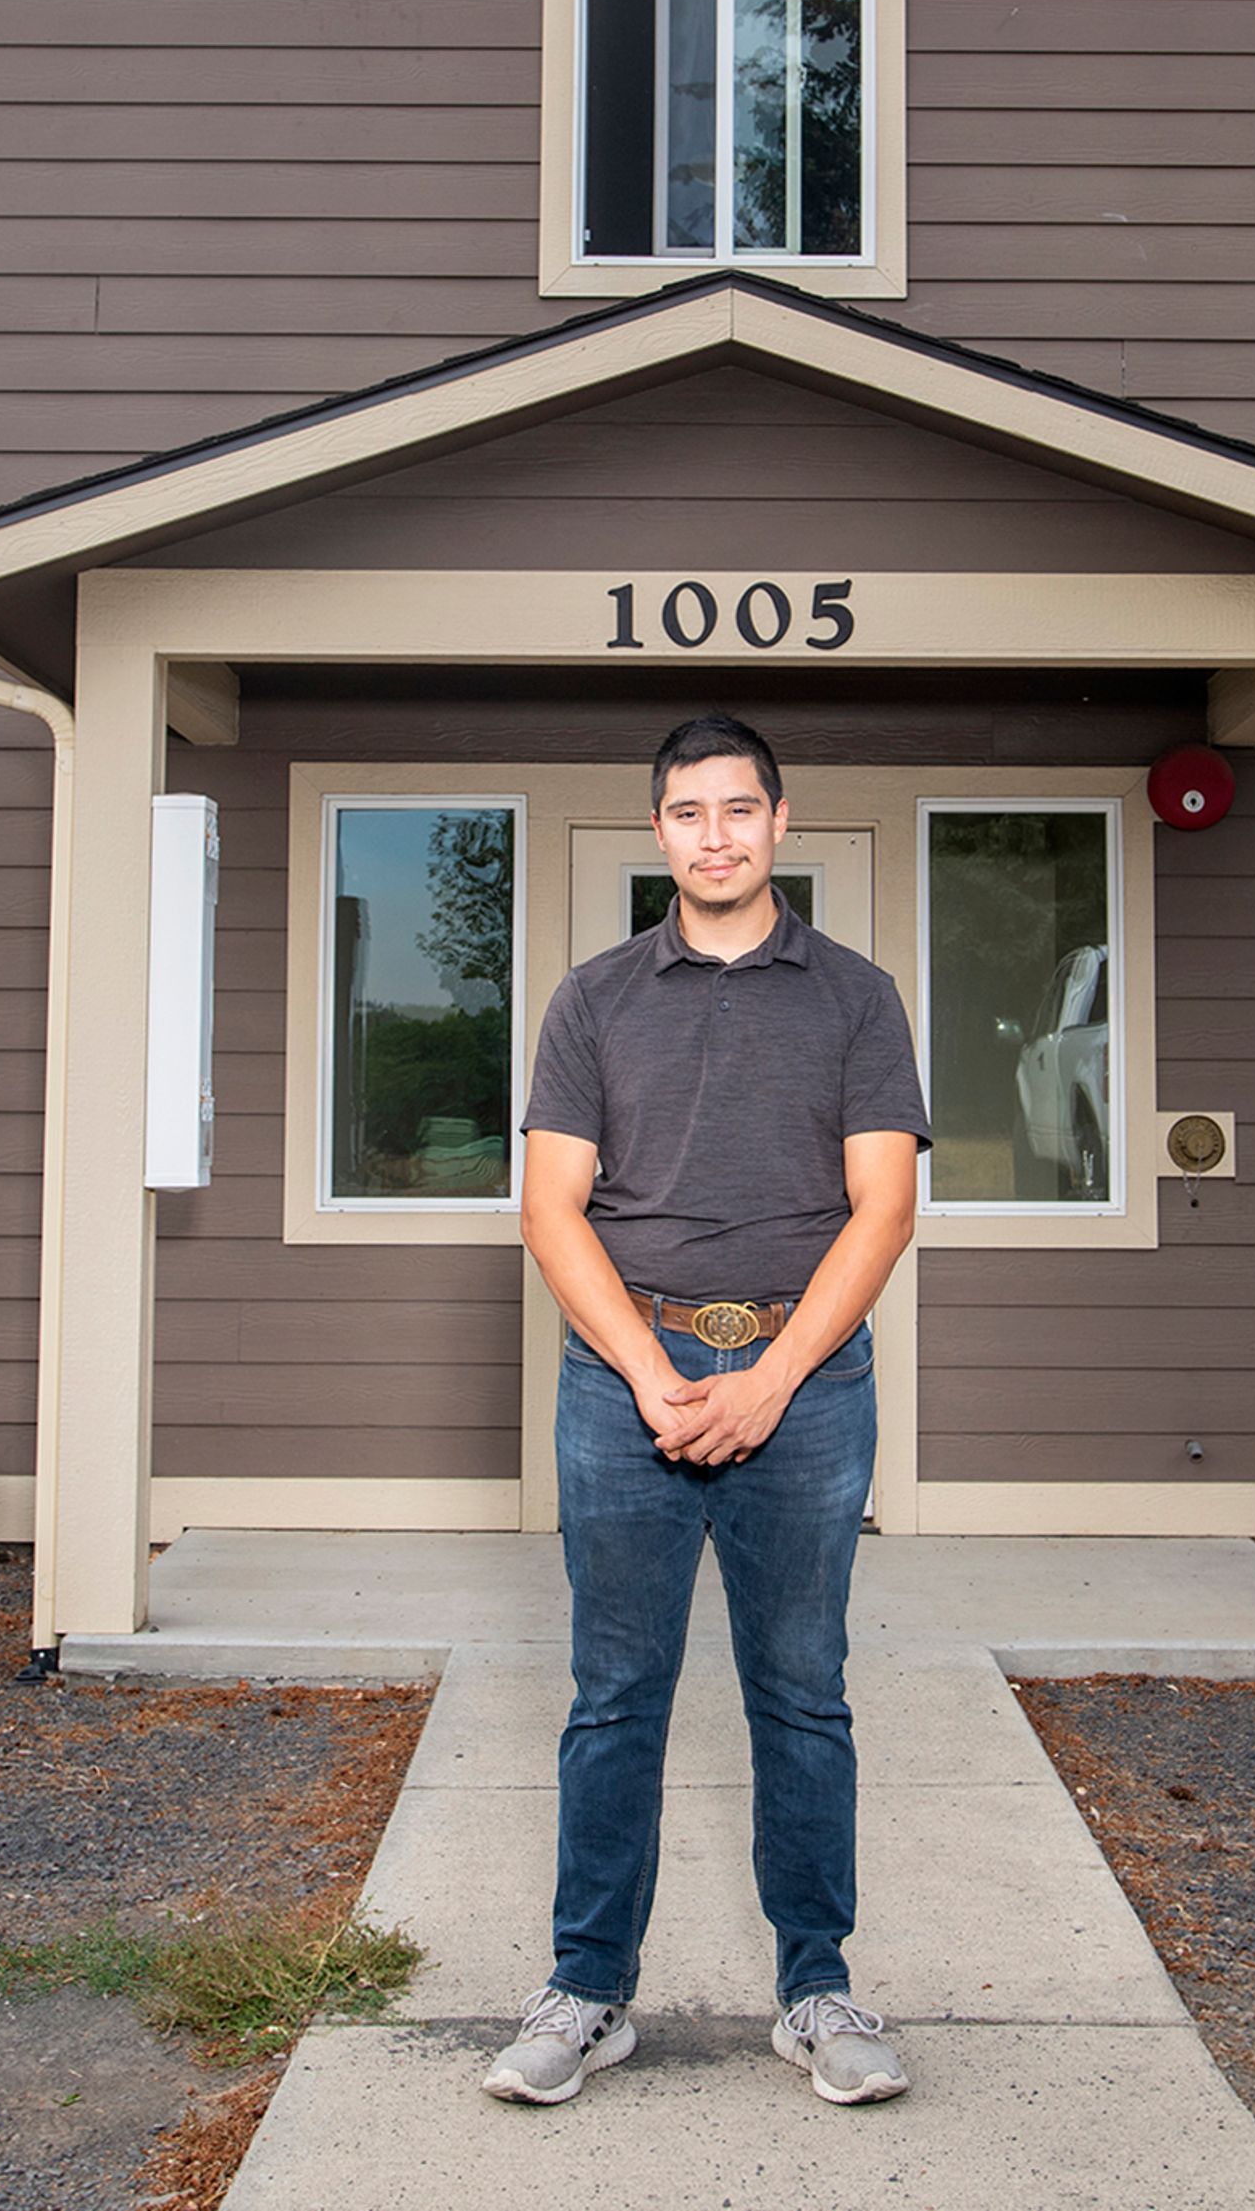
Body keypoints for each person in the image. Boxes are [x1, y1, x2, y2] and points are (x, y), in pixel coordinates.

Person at [480, 712, 929, 2111]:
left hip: (805, 1379)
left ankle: (819, 1990)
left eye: (740, 808)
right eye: (689, 812)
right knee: (615, 1698)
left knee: (803, 1696)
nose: (716, 834)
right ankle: (587, 1989)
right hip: (627, 1384)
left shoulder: (855, 997)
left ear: (779, 820)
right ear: (659, 829)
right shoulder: (596, 997)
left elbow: (885, 1203)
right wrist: (650, 1374)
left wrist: (771, 1377)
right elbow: (552, 1207)